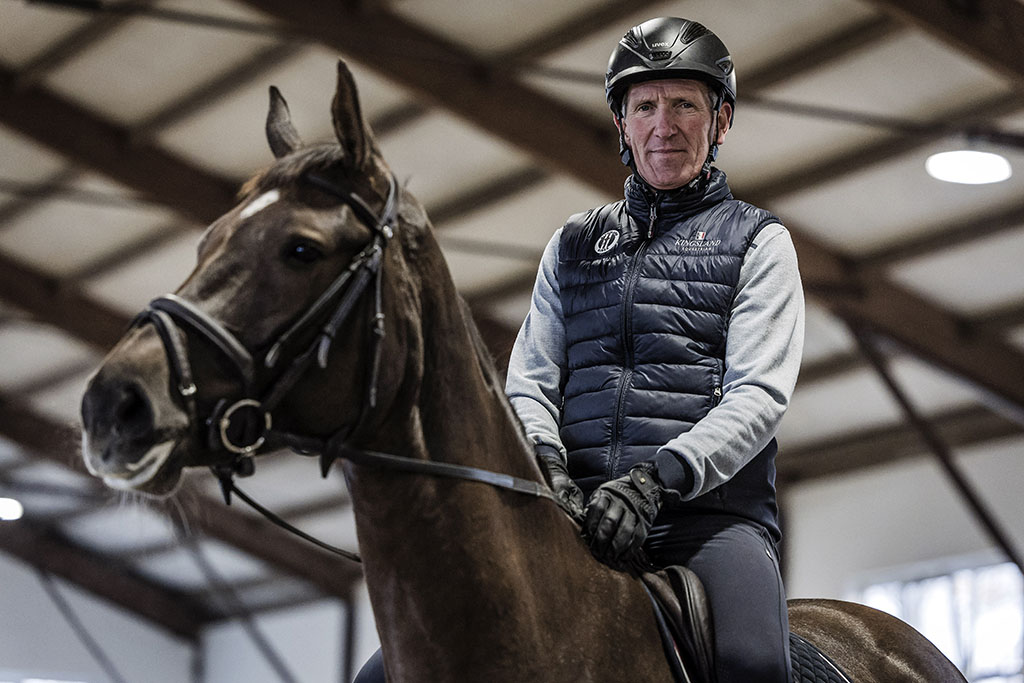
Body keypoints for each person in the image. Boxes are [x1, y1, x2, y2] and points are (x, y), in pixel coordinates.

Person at [504, 16, 804, 683]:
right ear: (623, 124)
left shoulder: (758, 241)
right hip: (571, 514)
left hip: (704, 522)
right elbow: (529, 376)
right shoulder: (572, 244)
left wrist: (652, 482)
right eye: (645, 105)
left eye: (683, 105)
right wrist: (549, 465)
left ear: (720, 120)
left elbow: (759, 396)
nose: (662, 124)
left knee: (754, 665)